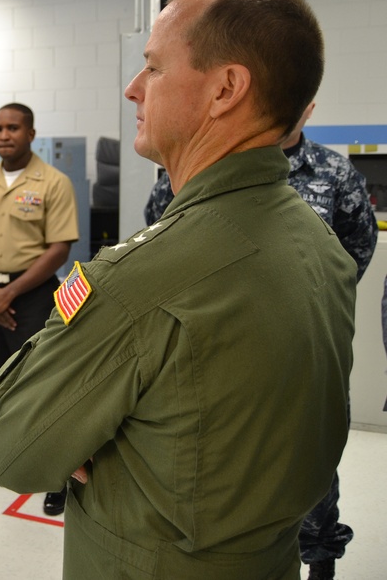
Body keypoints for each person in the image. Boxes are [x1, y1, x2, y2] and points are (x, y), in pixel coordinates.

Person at [0, 0, 356, 579]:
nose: (133, 88)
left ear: (225, 89)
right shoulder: (316, 242)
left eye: (153, 68)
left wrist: (90, 438)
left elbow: (19, 450)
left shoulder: (144, 280)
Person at [145, 103, 376, 580]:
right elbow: (157, 238)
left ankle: (319, 556)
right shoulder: (198, 167)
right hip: (217, 347)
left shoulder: (333, 172)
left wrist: (307, 304)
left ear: (307, 107)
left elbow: (355, 252)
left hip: (303, 349)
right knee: (221, 454)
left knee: (313, 455)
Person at [0, 103, 78, 520]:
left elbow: (60, 247)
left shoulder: (53, 182)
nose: (5, 135)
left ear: (30, 133)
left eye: (13, 128)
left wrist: (11, 294)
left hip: (34, 296)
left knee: (39, 388)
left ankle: (57, 477)